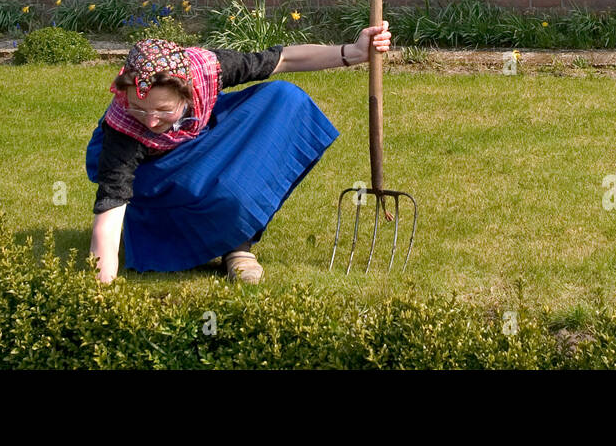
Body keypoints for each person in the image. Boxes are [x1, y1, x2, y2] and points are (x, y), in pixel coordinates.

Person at [87, 22, 392, 285]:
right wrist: (102, 293)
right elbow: (110, 210)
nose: (151, 121)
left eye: (164, 110)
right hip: (154, 181)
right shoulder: (123, 129)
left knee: (283, 98)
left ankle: (238, 246)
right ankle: (181, 236)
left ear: (187, 92)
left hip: (198, 147)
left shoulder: (208, 70)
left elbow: (283, 58)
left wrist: (353, 52)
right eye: (140, 109)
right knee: (194, 184)